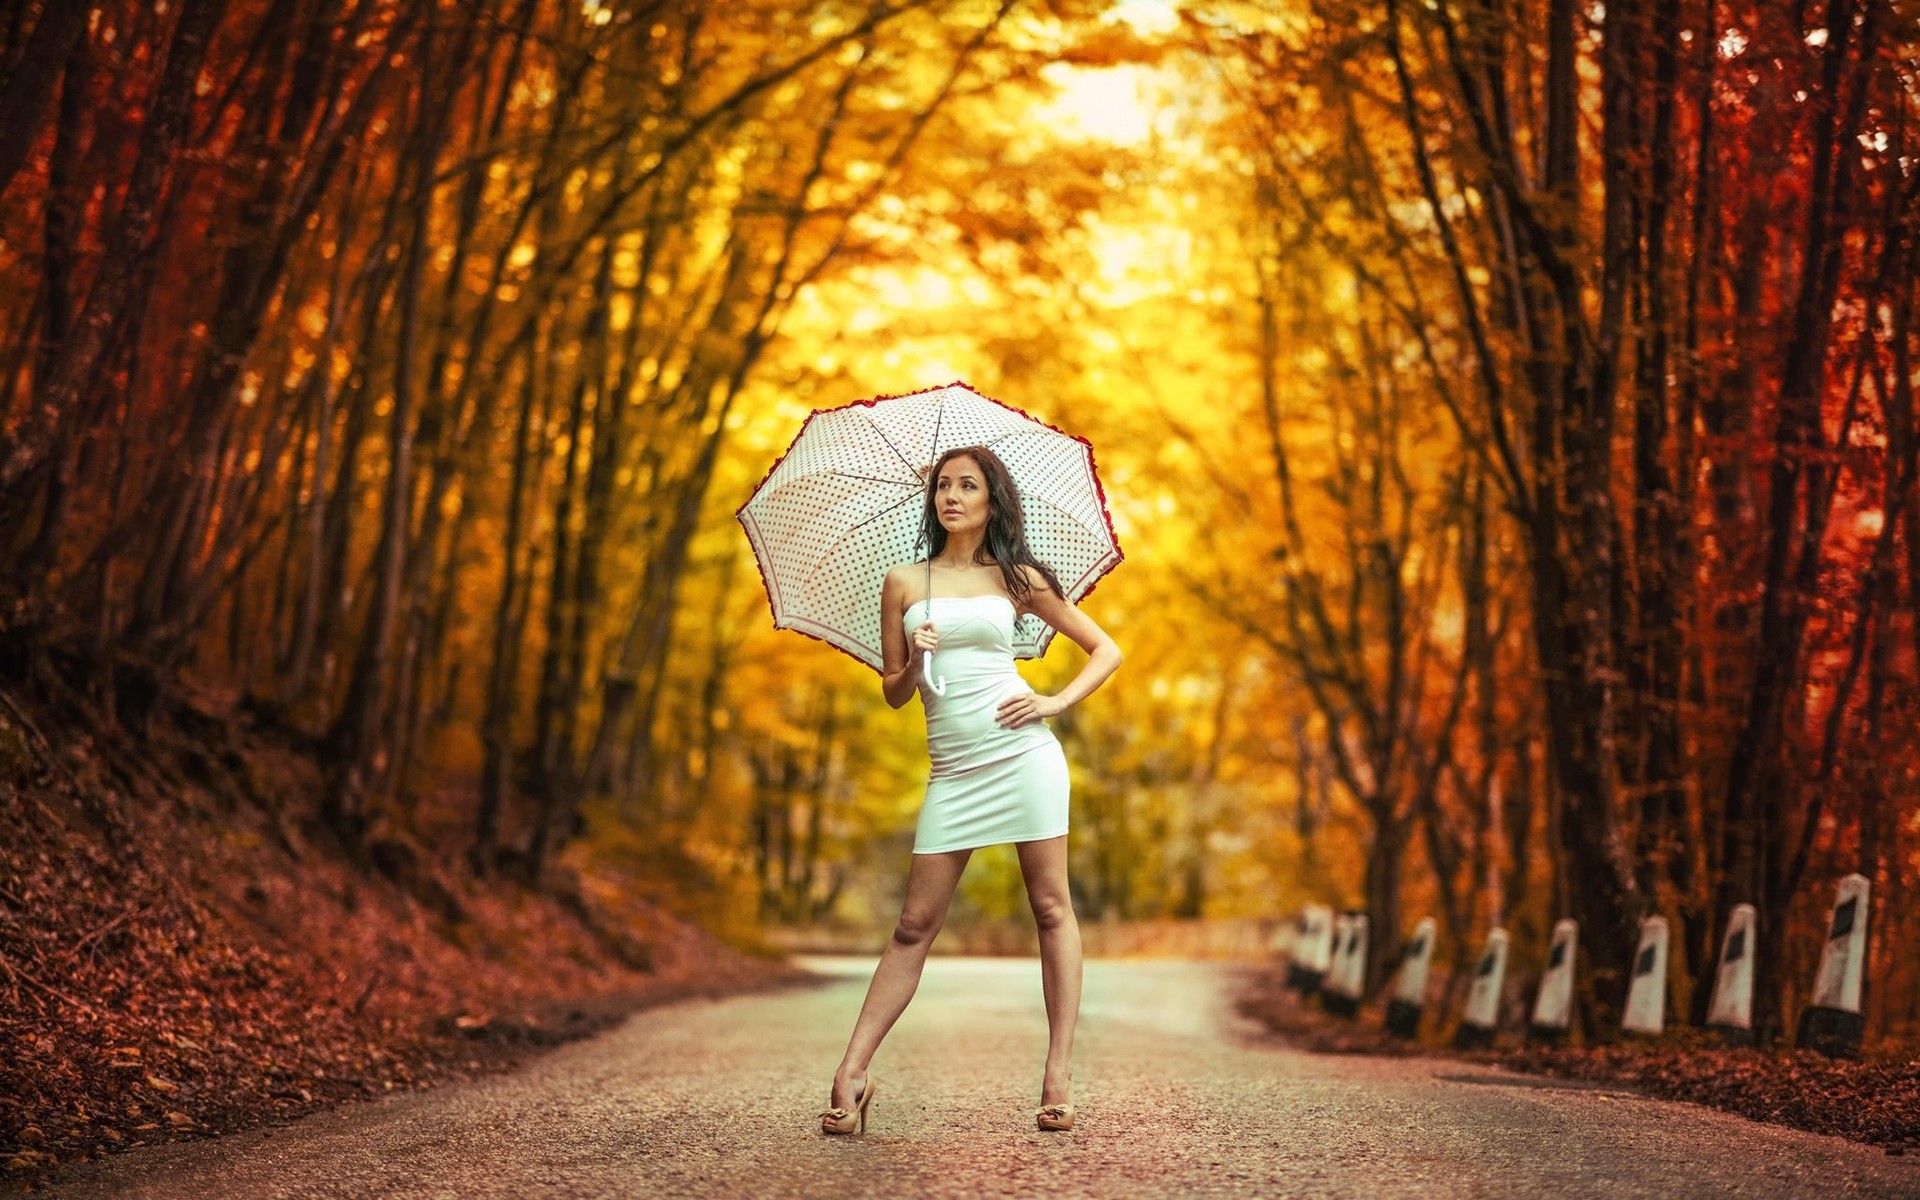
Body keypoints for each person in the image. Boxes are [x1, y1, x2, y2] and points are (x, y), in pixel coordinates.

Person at [819, 444, 1123, 1136]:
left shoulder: (1017, 576)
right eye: (942, 486)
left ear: (992, 499)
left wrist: (1053, 702)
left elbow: (1106, 649)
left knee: (1051, 908)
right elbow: (896, 694)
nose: (951, 496)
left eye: (967, 486)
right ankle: (853, 1074)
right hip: (952, 771)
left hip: (1023, 755)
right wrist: (916, 656)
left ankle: (1057, 1075)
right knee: (911, 925)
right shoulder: (902, 581)